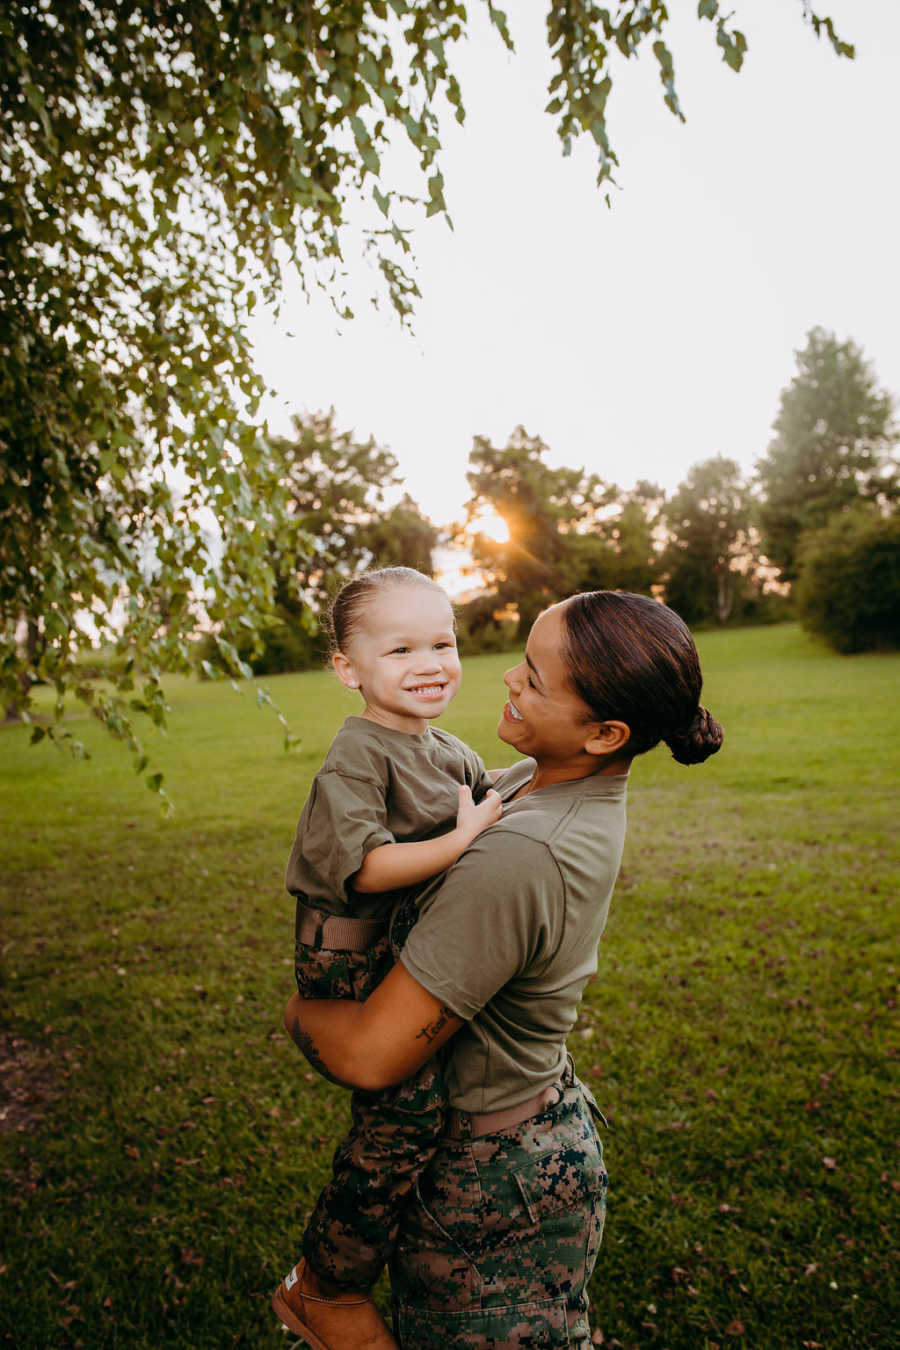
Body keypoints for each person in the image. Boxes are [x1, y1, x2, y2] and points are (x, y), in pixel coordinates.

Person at [279, 590, 724, 1349]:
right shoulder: (533, 781)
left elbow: (369, 1053)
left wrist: (294, 1012)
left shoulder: (522, 854)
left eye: (536, 680)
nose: (509, 680)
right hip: (527, 1136)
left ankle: (328, 1291)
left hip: (494, 1185)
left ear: (606, 732)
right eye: (522, 660)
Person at [273, 566, 503, 1349]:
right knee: (400, 1122)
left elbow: (491, 790)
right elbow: (368, 867)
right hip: (348, 964)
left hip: (404, 950)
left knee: (450, 1100)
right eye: (401, 649)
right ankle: (327, 1282)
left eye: (442, 642)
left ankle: (423, 1242)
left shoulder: (445, 747)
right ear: (349, 669)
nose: (430, 663)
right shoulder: (358, 755)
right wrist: (463, 838)